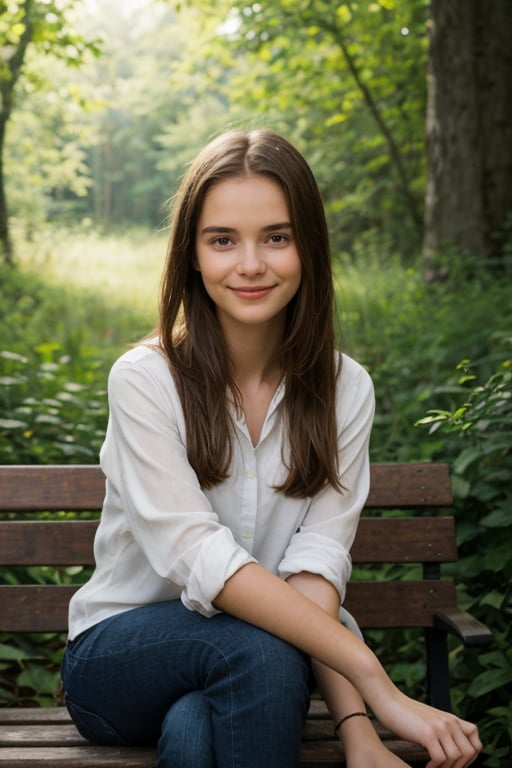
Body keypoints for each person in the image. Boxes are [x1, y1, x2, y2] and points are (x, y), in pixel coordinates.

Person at [62, 129, 482, 768]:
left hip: (252, 669)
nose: (251, 264)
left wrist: (357, 732)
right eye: (223, 239)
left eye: (276, 237)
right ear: (192, 256)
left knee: (197, 730)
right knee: (261, 650)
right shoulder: (146, 380)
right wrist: (376, 688)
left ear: (308, 248)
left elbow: (314, 572)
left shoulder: (346, 388)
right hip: (117, 660)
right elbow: (200, 558)